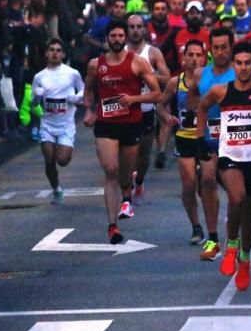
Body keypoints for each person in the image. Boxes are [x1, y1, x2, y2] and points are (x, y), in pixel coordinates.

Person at [195, 41, 251, 292]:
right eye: (239, 63)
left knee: (250, 215)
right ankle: (231, 245)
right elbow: (201, 108)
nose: (243, 68)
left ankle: (244, 259)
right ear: (234, 65)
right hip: (230, 156)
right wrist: (200, 138)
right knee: (237, 197)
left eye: (248, 63)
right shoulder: (221, 91)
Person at [81, 19, 162, 243]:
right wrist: (89, 110)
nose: (117, 40)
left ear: (125, 37)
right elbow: (88, 91)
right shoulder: (95, 65)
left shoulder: (138, 63)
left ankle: (128, 192)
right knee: (111, 170)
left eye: (120, 36)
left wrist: (133, 99)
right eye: (113, 36)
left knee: (125, 174)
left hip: (131, 123)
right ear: (107, 38)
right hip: (106, 125)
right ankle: (112, 226)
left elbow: (157, 94)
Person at [155, 39, 207, 245]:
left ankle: (212, 222)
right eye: (190, 55)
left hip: (206, 139)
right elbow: (160, 104)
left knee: (206, 185)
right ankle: (196, 226)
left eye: (198, 55)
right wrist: (166, 117)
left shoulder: (210, 81)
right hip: (185, 138)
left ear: (203, 58)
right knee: (188, 184)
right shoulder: (175, 83)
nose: (194, 59)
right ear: (183, 58)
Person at [194, 27, 236, 261]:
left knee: (235, 190)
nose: (220, 52)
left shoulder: (239, 72)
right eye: (216, 47)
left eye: (224, 47)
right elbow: (194, 99)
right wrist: (198, 136)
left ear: (231, 47)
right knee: (207, 180)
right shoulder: (201, 74)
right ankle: (212, 238)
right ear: (210, 49)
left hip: (236, 138)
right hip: (210, 136)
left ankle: (233, 235)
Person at [31, 38, 84, 205]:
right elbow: (33, 104)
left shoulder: (72, 73)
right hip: (47, 123)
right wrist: (37, 96)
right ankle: (56, 190)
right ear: (46, 53)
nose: (55, 53)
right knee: (49, 160)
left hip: (66, 124)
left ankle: (65, 149)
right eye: (52, 50)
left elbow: (83, 89)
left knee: (62, 160)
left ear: (63, 54)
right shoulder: (39, 77)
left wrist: (75, 97)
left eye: (58, 50)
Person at [126, 14, 171, 193]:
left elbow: (167, 77)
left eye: (139, 27)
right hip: (126, 110)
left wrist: (146, 75)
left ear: (144, 29)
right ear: (127, 29)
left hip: (146, 110)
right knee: (128, 152)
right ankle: (126, 185)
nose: (136, 31)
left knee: (144, 155)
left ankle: (140, 180)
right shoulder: (119, 51)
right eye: (132, 27)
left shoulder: (153, 52)